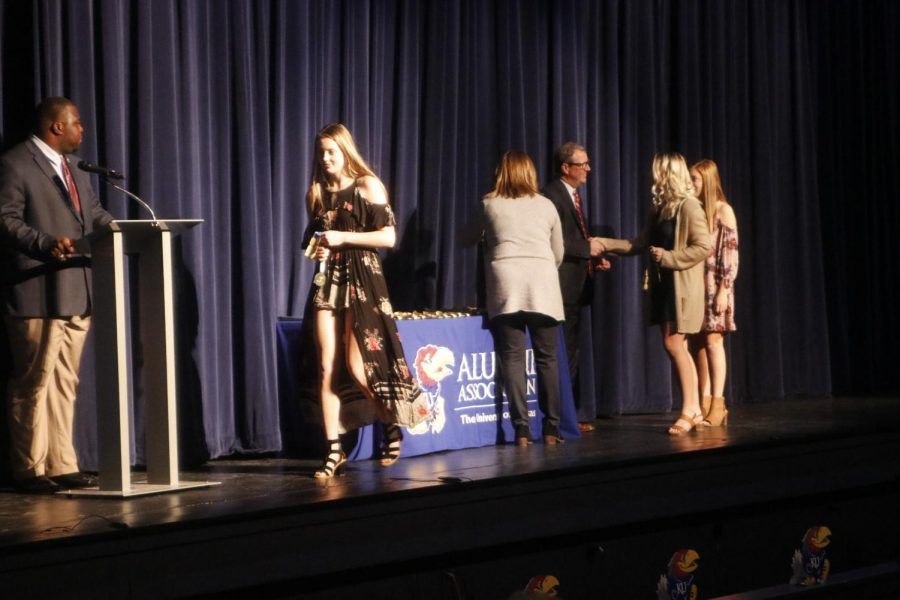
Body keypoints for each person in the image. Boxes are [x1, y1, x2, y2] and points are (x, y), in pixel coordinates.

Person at [0, 97, 113, 493]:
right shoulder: (14, 163)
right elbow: (6, 219)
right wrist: (45, 243)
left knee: (65, 380)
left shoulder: (76, 170)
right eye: (77, 123)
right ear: (56, 127)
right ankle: (29, 467)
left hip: (75, 290)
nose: (83, 129)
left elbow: (94, 215)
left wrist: (121, 229)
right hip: (36, 291)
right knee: (33, 382)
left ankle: (62, 462)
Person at [303, 123, 427, 479]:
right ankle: (333, 451)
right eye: (321, 152)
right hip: (329, 281)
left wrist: (341, 236)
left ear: (345, 151)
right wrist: (318, 246)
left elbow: (388, 237)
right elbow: (312, 239)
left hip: (362, 279)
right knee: (326, 368)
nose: (325, 159)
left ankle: (390, 424)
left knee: (359, 368)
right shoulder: (317, 192)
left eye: (331, 151)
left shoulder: (366, 185)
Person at [597, 152, 711, 435]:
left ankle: (690, 409)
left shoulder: (689, 207)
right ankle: (694, 407)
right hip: (663, 287)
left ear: (668, 174)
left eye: (657, 172)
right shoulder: (660, 209)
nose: (653, 177)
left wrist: (669, 257)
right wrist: (602, 243)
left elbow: (703, 247)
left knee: (674, 344)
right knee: (676, 346)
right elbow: (639, 243)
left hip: (682, 288)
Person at [464, 150, 566, 445]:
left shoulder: (489, 204)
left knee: (512, 357)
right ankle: (551, 428)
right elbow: (558, 252)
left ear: (501, 172)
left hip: (506, 286)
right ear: (530, 174)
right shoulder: (547, 205)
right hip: (543, 286)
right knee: (547, 359)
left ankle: (521, 428)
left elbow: (465, 238)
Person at [541, 142, 609, 433]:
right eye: (583, 164)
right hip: (562, 287)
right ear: (565, 167)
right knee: (563, 353)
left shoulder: (573, 196)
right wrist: (587, 248)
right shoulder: (551, 196)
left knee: (572, 353)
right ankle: (560, 419)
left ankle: (569, 413)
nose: (588, 169)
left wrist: (595, 258)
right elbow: (552, 241)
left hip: (578, 286)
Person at [688, 159, 738, 426]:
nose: (691, 184)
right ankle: (703, 400)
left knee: (713, 342)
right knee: (698, 344)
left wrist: (723, 289)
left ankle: (718, 404)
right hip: (696, 285)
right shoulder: (696, 211)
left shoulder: (723, 211)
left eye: (695, 180)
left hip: (715, 285)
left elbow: (729, 253)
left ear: (706, 181)